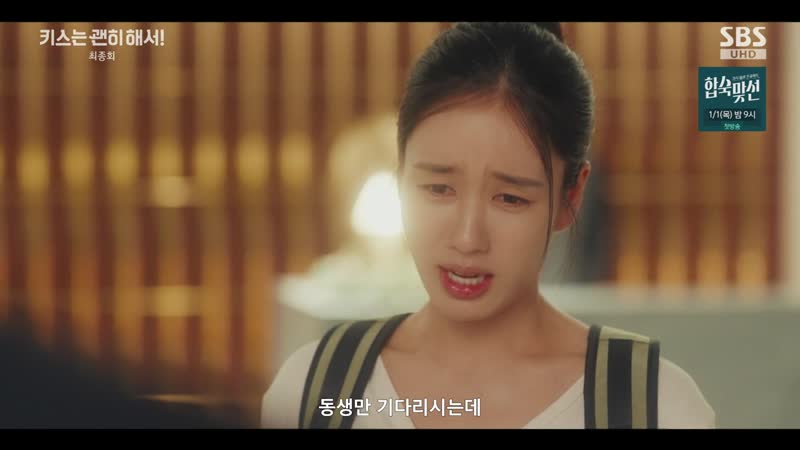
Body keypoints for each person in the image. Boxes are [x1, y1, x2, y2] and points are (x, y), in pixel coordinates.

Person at [261, 22, 715, 429]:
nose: (467, 238)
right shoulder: (319, 389)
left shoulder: (650, 404)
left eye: (510, 198)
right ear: (400, 174)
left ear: (570, 197)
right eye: (439, 189)